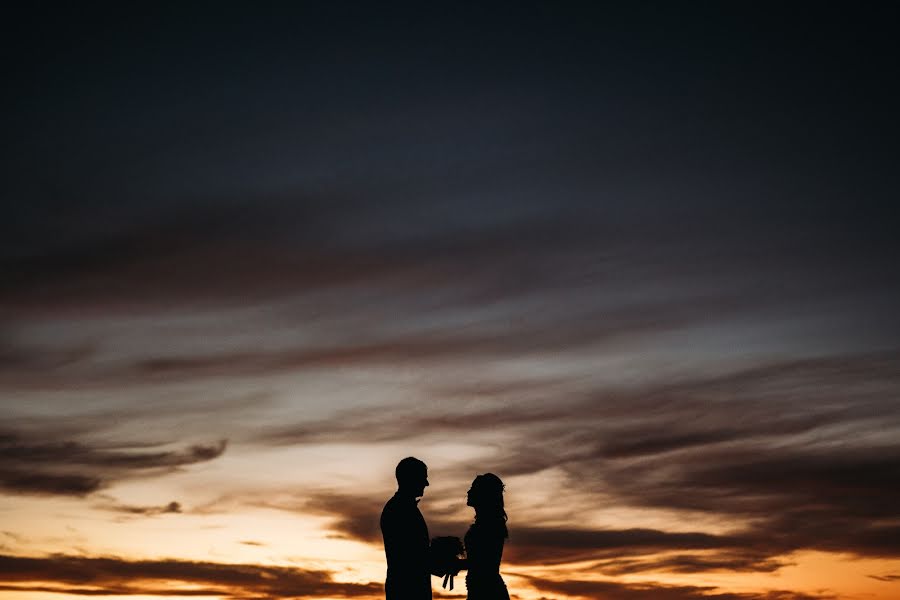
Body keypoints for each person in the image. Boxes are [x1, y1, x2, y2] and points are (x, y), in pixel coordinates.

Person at [380, 457, 432, 600]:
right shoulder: (398, 509)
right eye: (423, 478)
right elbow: (410, 557)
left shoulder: (402, 507)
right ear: (411, 479)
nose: (426, 483)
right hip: (407, 590)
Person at [456, 473, 510, 600]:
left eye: (473, 488)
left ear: (484, 495)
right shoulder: (485, 524)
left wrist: (454, 564)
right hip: (479, 588)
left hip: (487, 591)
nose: (468, 491)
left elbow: (482, 564)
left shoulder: (490, 525)